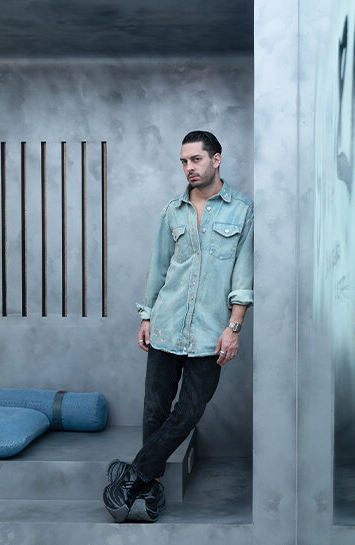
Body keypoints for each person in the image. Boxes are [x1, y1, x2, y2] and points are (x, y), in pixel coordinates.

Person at [103, 130, 254, 523]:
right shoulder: (173, 210)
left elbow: (244, 272)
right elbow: (160, 266)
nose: (189, 167)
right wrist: (147, 315)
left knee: (188, 411)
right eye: (184, 161)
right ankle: (148, 491)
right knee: (155, 411)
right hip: (168, 324)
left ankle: (132, 475)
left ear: (216, 159)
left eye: (196, 160)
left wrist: (233, 326)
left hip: (210, 332)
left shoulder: (242, 210)